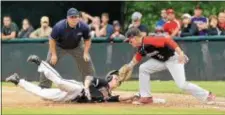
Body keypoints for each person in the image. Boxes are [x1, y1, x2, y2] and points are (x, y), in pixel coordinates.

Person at [122, 27, 215, 105]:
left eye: (129, 41)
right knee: (143, 68)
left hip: (174, 59)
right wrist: (129, 66)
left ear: (134, 38)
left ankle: (207, 95)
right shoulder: (140, 47)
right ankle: (146, 97)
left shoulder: (148, 40)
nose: (129, 43)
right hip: (162, 61)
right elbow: (137, 57)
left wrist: (180, 52)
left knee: (182, 85)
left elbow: (167, 40)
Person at [5, 55, 136, 103]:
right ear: (109, 78)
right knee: (60, 82)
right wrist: (86, 89)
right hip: (78, 89)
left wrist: (136, 95)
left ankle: (18, 81)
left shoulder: (108, 96)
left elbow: (120, 97)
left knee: (44, 94)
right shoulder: (102, 82)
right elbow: (89, 78)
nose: (117, 80)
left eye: (118, 81)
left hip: (71, 98)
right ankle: (41, 63)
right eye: (115, 78)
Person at [39, 8, 95, 89]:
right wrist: (54, 55)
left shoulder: (84, 26)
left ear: (79, 17)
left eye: (76, 17)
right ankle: (43, 87)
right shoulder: (59, 26)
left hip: (77, 46)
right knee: (49, 63)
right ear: (67, 18)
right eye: (71, 17)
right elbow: (52, 40)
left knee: (87, 63)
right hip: (59, 45)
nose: (74, 19)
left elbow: (87, 39)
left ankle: (90, 87)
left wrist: (85, 53)